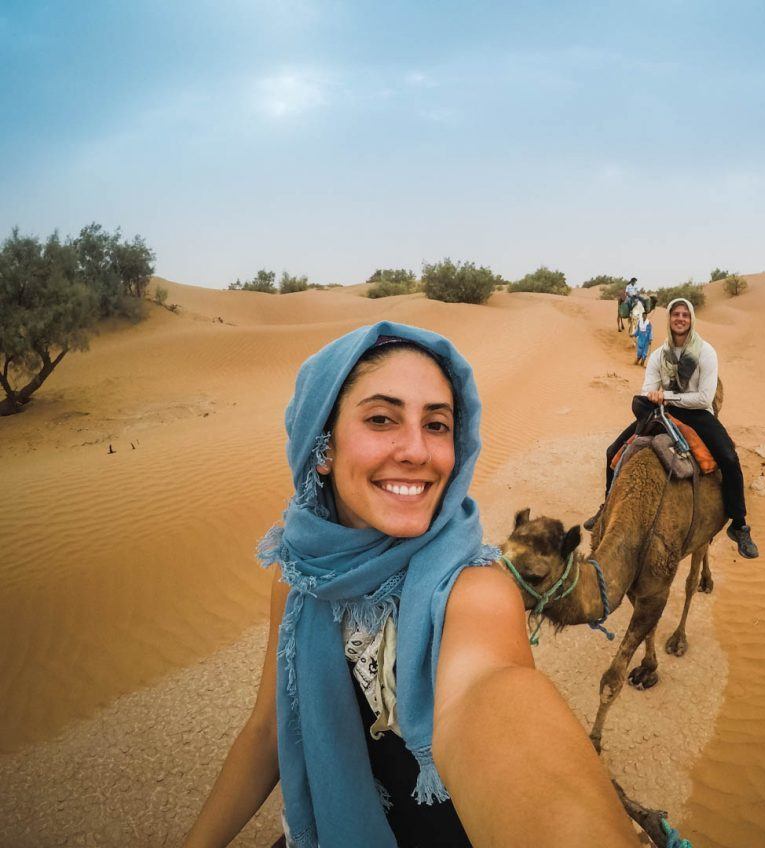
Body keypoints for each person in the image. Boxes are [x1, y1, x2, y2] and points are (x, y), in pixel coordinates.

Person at [184, 322, 638, 848]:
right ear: (322, 447)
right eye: (382, 419)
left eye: (438, 425)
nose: (418, 451)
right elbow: (266, 733)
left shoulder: (475, 592)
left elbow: (491, 693)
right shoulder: (301, 583)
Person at [589, 298, 760, 559]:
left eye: (685, 315)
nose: (680, 319)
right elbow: (648, 390)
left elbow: (703, 397)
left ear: (691, 319)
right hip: (662, 411)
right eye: (675, 315)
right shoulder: (660, 354)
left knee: (728, 456)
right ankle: (606, 507)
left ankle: (739, 525)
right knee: (612, 451)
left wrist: (667, 397)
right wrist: (656, 398)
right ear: (669, 319)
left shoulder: (705, 352)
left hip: (697, 413)